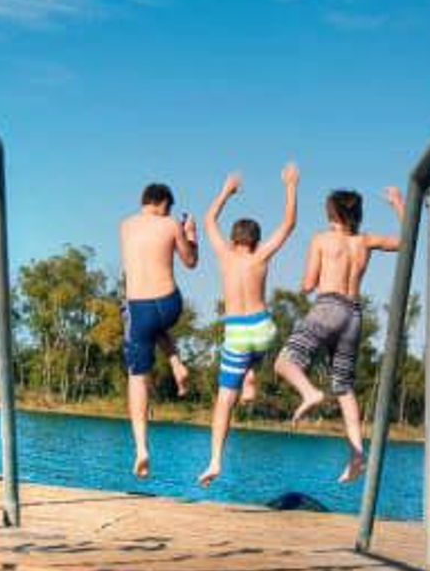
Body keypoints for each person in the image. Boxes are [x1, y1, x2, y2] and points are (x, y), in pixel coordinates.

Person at [274, 185, 405, 483]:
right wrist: (399, 203)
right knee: (344, 388)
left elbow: (309, 283)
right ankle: (357, 455)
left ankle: (310, 392)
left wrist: (305, 286)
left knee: (284, 362)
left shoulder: (321, 239)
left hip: (328, 307)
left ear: (331, 212)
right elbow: (406, 241)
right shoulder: (366, 241)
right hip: (354, 315)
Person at [199, 164, 298, 487]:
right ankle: (252, 374)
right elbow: (288, 224)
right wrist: (290, 185)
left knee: (224, 400)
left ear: (233, 239)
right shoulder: (261, 256)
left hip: (237, 332)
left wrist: (226, 192)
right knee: (259, 349)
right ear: (255, 241)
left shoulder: (224, 255)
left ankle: (215, 460)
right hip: (263, 327)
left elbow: (208, 220)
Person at [119, 180, 198, 479]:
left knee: (137, 379)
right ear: (164, 203)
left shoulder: (125, 225)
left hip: (139, 309)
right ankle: (177, 362)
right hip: (170, 304)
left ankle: (141, 448)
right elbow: (191, 261)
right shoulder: (170, 225)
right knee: (156, 325)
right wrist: (191, 235)